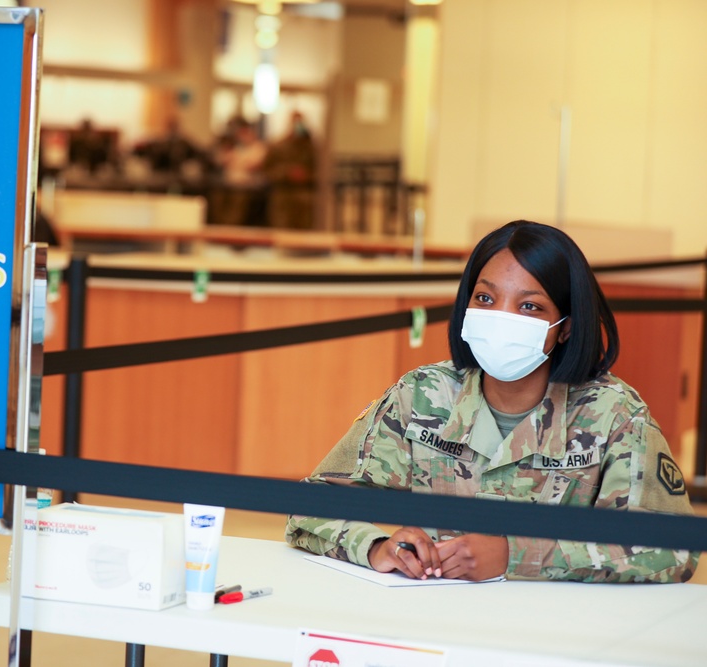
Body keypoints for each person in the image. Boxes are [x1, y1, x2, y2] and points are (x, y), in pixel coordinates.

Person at [286, 220, 699, 583]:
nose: (503, 317)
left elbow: (672, 548)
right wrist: (377, 547)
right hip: (431, 621)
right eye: (485, 298)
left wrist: (515, 556)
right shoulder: (424, 395)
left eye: (529, 306)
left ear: (566, 328)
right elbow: (311, 505)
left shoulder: (614, 414)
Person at [262, 111, 317, 230]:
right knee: (281, 231)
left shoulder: (311, 148)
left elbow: (320, 172)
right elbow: (267, 171)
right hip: (283, 196)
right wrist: (286, 173)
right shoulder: (278, 146)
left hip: (305, 198)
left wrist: (306, 175)